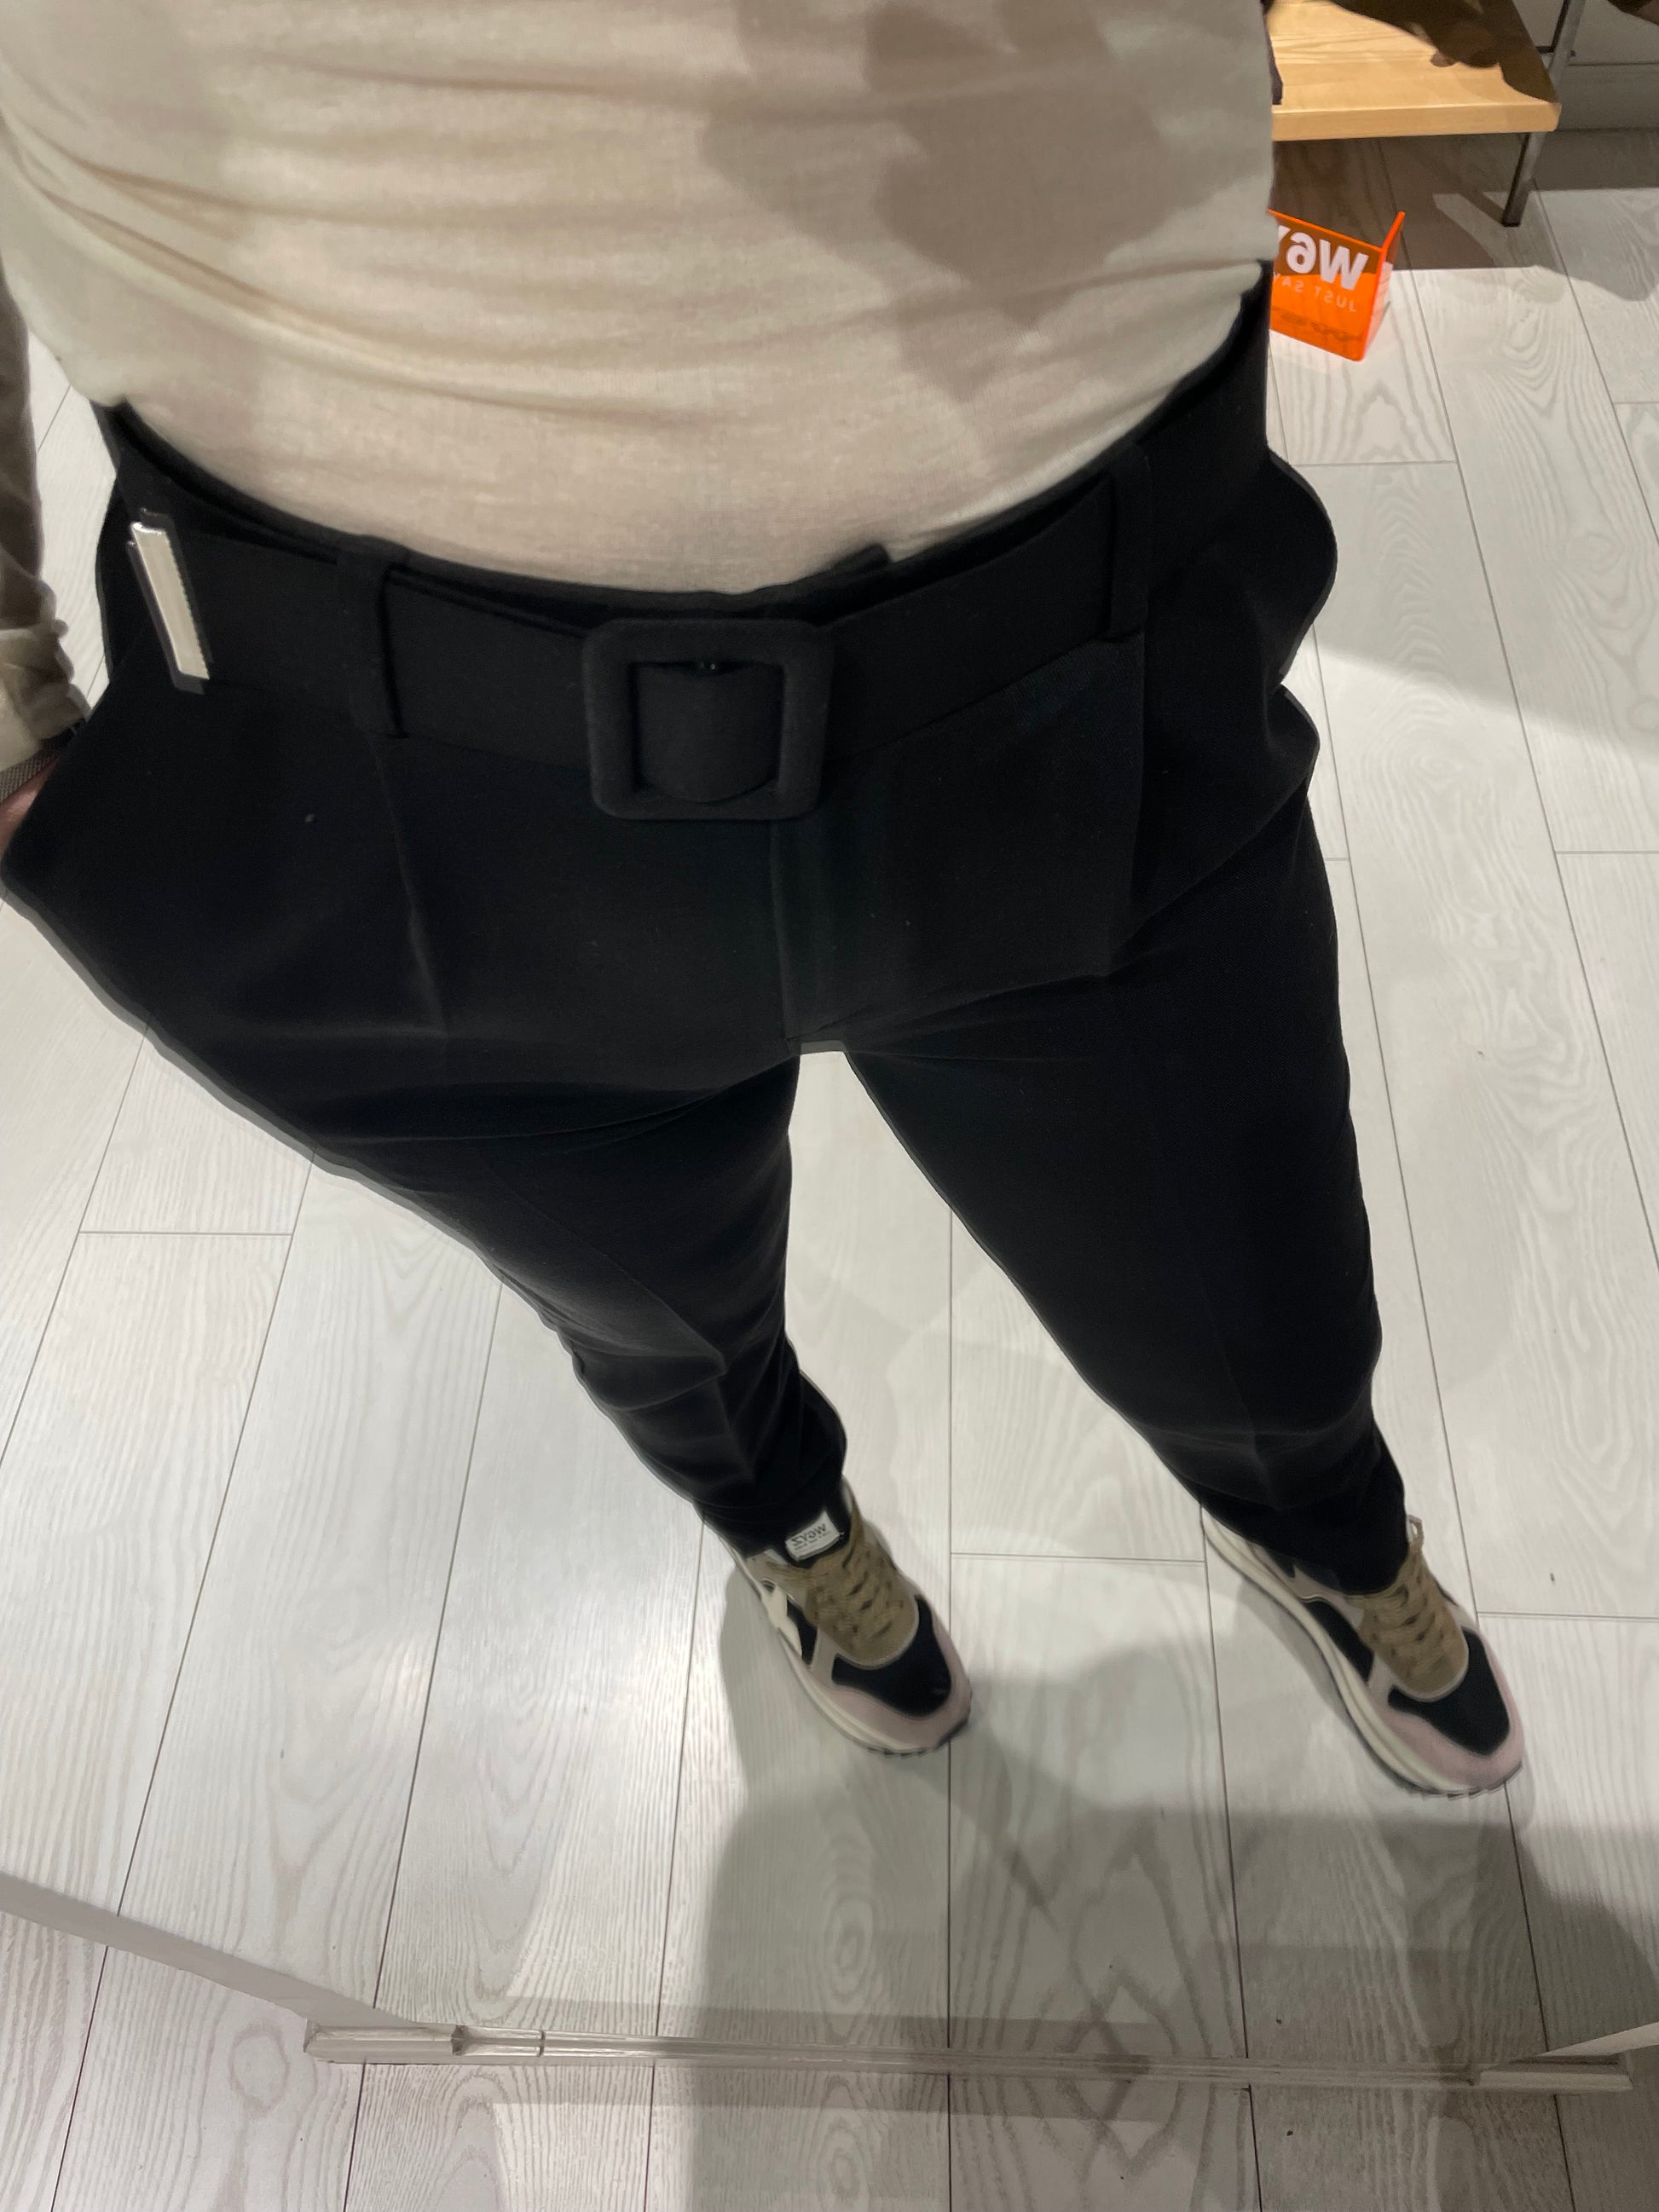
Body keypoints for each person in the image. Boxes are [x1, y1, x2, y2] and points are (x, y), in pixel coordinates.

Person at [0, 0, 1521, 1793]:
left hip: (1092, 656)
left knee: (1253, 1284)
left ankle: (1321, 1518)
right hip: (344, 777)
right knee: (654, 1319)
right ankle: (786, 1518)